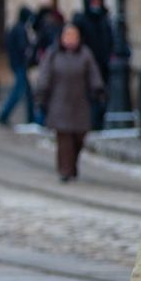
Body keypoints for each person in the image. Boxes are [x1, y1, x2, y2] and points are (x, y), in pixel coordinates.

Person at [36, 24, 105, 182]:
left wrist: (98, 90)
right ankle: (65, 170)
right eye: (67, 35)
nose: (71, 39)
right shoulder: (53, 54)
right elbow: (44, 76)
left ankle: (72, 165)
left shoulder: (85, 54)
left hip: (79, 103)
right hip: (58, 103)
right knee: (64, 139)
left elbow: (93, 74)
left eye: (74, 36)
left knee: (79, 137)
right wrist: (41, 95)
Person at [73, 0, 113, 131]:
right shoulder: (81, 21)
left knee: (101, 97)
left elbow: (110, 40)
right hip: (87, 66)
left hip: (102, 66)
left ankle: (97, 124)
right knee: (88, 98)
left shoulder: (104, 20)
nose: (96, 5)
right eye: (93, 2)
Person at [0, 6, 36, 126]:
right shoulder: (20, 29)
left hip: (17, 64)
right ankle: (4, 115)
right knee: (18, 91)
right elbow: (23, 47)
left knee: (27, 92)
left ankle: (31, 117)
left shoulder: (15, 27)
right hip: (20, 64)